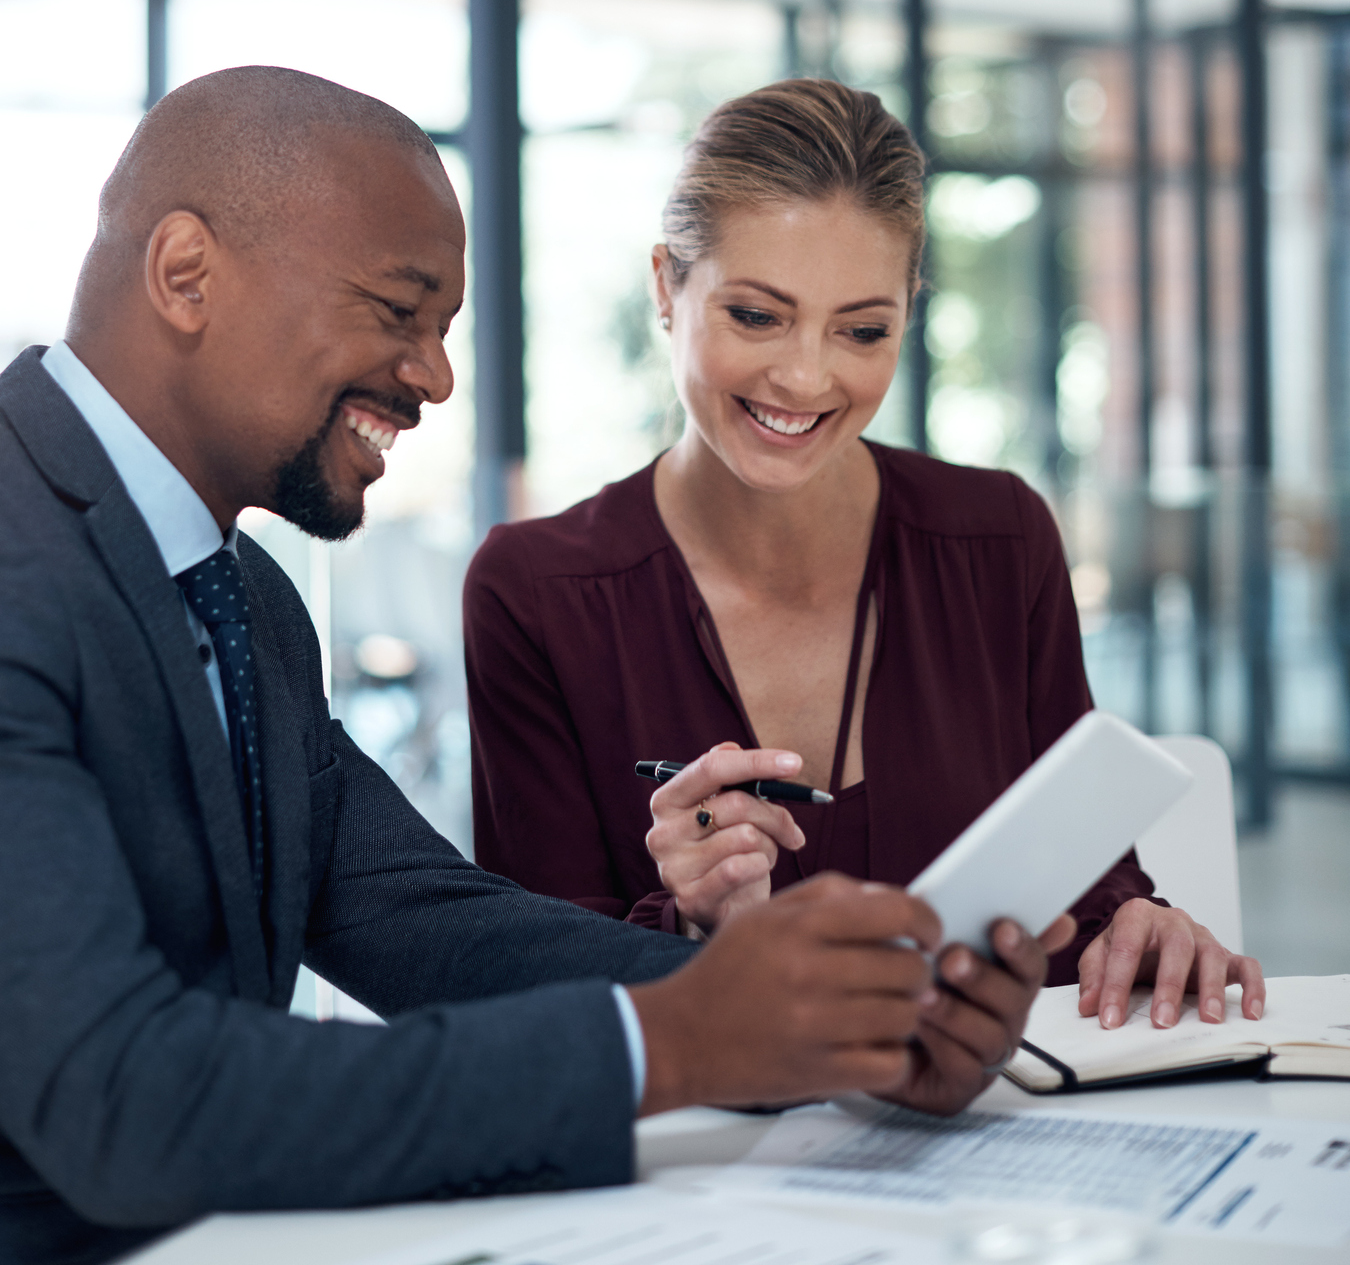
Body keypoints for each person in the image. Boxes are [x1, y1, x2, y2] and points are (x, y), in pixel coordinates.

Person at [0, 66, 960, 1265]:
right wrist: (672, 1042)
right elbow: (123, 1094)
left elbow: (425, 920)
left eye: (442, 328)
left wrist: (822, 1010)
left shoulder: (244, 598)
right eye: (398, 312)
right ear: (185, 273)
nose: (435, 376)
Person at [467, 80, 1264, 1036]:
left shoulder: (999, 540)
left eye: (862, 329)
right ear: (666, 287)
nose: (807, 376)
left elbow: (1087, 887)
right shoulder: (536, 594)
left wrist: (1137, 926)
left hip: (994, 1117)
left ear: (907, 315)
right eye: (756, 315)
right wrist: (692, 924)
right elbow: (535, 994)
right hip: (702, 1129)